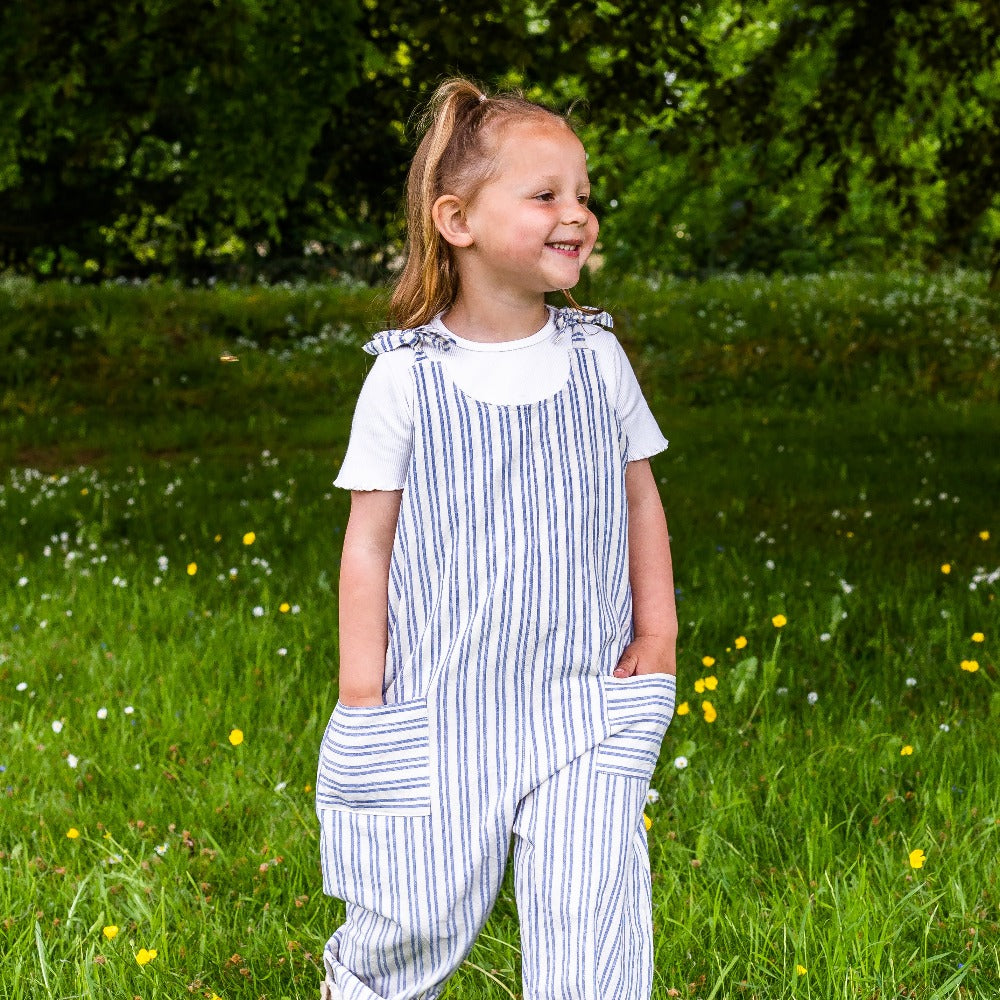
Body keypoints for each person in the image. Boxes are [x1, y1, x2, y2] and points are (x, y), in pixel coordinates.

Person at [316, 77, 678, 1000]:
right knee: (411, 913)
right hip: (442, 708)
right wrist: (364, 695)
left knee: (591, 910)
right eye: (546, 194)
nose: (577, 214)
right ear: (457, 220)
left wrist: (658, 631)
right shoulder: (406, 379)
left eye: (584, 193)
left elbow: (639, 498)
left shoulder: (597, 358)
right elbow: (368, 545)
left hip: (584, 699)